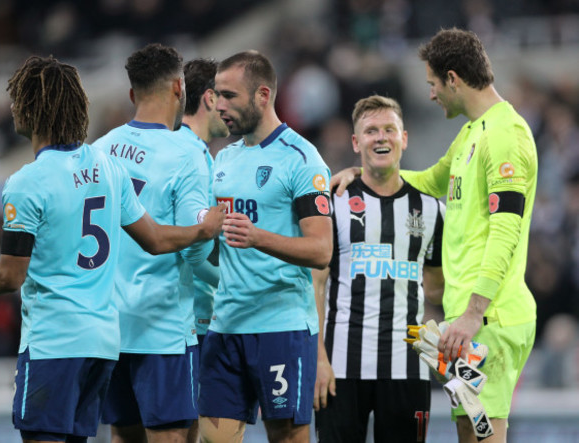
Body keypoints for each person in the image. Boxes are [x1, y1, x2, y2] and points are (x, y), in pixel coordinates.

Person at [0, 55, 225, 443]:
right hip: (101, 345)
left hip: (54, 342)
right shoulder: (106, 168)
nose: (12, 107)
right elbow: (156, 239)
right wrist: (202, 231)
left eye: (19, 98)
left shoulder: (27, 182)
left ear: (36, 107)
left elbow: (11, 275)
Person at [331, 28, 538, 442]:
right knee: (468, 429)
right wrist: (365, 174)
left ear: (453, 79)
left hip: (489, 320)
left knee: (484, 434)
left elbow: (506, 228)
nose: (430, 94)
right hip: (464, 325)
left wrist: (476, 311)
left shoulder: (506, 135)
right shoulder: (470, 134)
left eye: (432, 84)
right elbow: (426, 179)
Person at [197, 50, 333, 443]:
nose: (219, 106)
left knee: (288, 436)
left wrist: (258, 238)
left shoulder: (302, 160)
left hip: (281, 325)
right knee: (213, 437)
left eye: (229, 96)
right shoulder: (222, 161)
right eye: (216, 95)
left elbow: (321, 250)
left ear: (262, 95)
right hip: (225, 325)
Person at [91, 44, 216, 443]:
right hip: (162, 327)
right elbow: (196, 250)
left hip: (110, 325)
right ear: (180, 87)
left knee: (122, 435)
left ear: (131, 94)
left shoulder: (100, 149)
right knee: (171, 436)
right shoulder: (187, 153)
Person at [311, 95, 445, 443]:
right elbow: (316, 284)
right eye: (371, 131)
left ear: (405, 138)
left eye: (389, 129)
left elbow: (435, 290)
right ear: (356, 142)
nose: (381, 137)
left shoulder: (432, 209)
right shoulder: (334, 201)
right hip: (340, 367)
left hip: (407, 367)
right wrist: (317, 358)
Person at [176, 57, 230, 352]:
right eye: (228, 97)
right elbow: (193, 249)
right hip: (189, 320)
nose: (231, 109)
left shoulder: (168, 148)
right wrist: (237, 286)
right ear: (210, 98)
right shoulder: (193, 158)